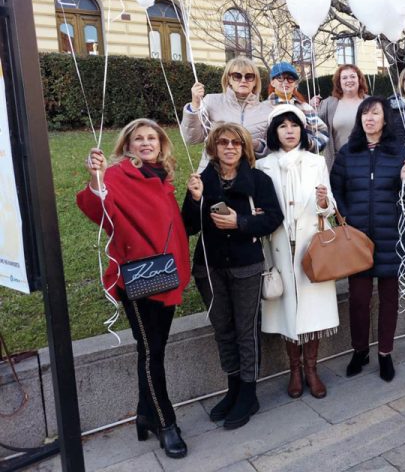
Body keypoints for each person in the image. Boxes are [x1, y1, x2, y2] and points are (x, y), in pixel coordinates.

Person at [76, 119, 191, 459]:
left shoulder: (163, 176)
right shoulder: (116, 175)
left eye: (151, 137)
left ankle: (144, 414)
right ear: (127, 145)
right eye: (137, 138)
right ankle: (166, 423)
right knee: (152, 351)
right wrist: (96, 178)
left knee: (153, 349)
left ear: (161, 143)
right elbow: (99, 212)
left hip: (166, 274)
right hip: (138, 279)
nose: (145, 143)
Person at [182, 123, 283, 430]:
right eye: (223, 142)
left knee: (245, 330)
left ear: (244, 148)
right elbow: (188, 226)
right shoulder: (204, 180)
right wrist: (195, 198)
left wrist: (239, 222)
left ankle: (249, 393)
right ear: (214, 146)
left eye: (236, 143)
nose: (229, 147)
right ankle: (233, 387)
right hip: (209, 267)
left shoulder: (257, 179)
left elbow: (274, 219)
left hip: (246, 265)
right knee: (222, 329)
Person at [256, 104, 340, 399]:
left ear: (302, 130)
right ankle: (294, 369)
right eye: (282, 126)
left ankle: (312, 369)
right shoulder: (263, 166)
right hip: (278, 246)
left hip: (310, 246)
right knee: (287, 311)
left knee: (312, 311)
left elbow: (330, 208)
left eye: (294, 125)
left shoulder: (315, 161)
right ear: (274, 132)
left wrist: (322, 201)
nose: (289, 131)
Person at [330, 96, 405, 382]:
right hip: (357, 238)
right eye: (364, 113)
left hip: (390, 235)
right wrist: (344, 218)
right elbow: (336, 190)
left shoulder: (398, 151)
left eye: (375, 113)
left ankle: (385, 353)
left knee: (389, 298)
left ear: (384, 119)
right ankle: (360, 350)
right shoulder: (347, 152)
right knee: (358, 299)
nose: (369, 118)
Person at [181, 56, 266, 170]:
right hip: (213, 174)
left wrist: (257, 145)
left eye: (249, 76)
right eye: (237, 76)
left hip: (248, 175)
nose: (243, 80)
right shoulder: (211, 101)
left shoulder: (266, 110)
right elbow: (191, 138)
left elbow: (272, 149)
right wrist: (195, 104)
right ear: (229, 79)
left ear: (255, 81)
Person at [255, 61, 330, 155]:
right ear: (272, 82)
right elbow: (258, 139)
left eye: (290, 79)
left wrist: (310, 144)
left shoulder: (305, 107)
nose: (286, 82)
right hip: (272, 164)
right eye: (280, 78)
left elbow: (322, 131)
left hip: (302, 163)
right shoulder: (262, 108)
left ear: (295, 83)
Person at [310, 64, 369, 171]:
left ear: (359, 79)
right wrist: (310, 108)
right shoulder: (328, 104)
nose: (349, 80)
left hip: (366, 162)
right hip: (339, 164)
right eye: (344, 77)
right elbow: (314, 125)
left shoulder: (370, 102)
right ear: (339, 82)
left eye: (352, 76)